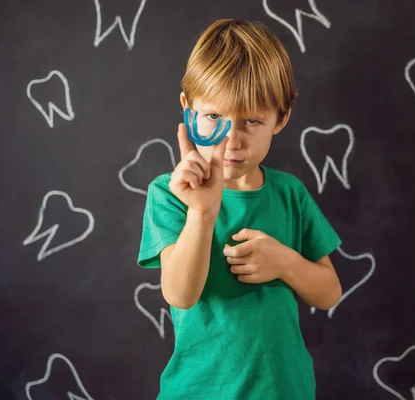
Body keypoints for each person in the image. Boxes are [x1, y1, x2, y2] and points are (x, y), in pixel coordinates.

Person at [137, 18, 343, 400]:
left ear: (280, 119)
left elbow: (329, 293)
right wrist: (201, 212)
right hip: (197, 391)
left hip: (284, 390)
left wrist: (284, 262)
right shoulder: (169, 194)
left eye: (251, 122)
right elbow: (180, 295)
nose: (231, 141)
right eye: (214, 117)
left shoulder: (289, 193)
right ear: (188, 108)